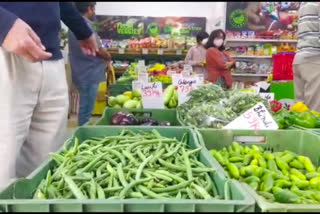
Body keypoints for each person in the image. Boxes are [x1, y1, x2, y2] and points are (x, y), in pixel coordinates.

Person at [0, 2, 98, 189]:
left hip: (51, 57)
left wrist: (82, 30)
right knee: (3, 163)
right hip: (5, 51)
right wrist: (4, 24)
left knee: (45, 167)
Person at [69, 2, 112, 126]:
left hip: (81, 71)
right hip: (89, 73)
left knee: (85, 107)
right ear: (90, 8)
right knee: (86, 110)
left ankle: (82, 130)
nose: (94, 12)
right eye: (94, 8)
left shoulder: (74, 25)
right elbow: (97, 49)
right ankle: (82, 135)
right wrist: (108, 56)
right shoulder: (85, 26)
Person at [293, 2, 320, 112]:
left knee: (299, 112)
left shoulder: (305, 4)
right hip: (314, 60)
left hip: (300, 59)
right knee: (315, 113)